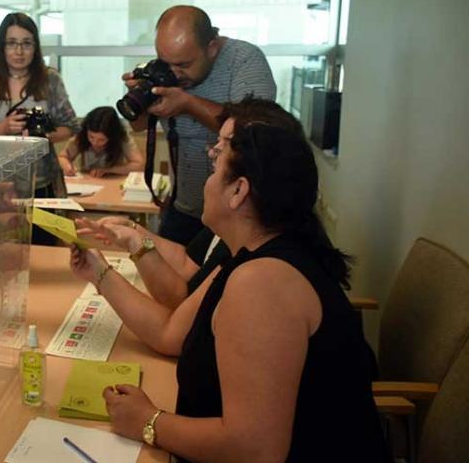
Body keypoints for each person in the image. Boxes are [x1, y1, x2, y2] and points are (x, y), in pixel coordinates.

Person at [70, 106, 385, 461]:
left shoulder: (263, 283)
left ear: (238, 191)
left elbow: (255, 449)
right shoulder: (251, 254)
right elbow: (173, 331)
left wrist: (149, 421)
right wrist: (99, 270)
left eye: (216, 168)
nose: (207, 177)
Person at [78, 96, 304, 309]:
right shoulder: (233, 231)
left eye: (223, 146)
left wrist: (109, 269)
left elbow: (173, 327)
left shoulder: (256, 268)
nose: (211, 153)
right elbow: (187, 262)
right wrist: (133, 230)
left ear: (239, 189)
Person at [124, 5, 275, 245]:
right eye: (166, 62)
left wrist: (187, 103)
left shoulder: (244, 60)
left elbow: (254, 130)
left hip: (238, 215)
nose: (174, 73)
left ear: (212, 48)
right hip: (185, 208)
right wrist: (139, 99)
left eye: (183, 65)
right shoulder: (167, 69)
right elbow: (139, 127)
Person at [0, 12, 79, 244]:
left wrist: (41, 136)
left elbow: (70, 126)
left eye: (26, 44)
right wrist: (4, 127)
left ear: (35, 48)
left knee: (45, 250)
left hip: (43, 184)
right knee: (2, 254)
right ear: (2, 47)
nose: (19, 52)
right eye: (12, 43)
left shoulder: (51, 80)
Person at [58, 106, 144, 177]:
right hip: (87, 181)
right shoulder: (81, 135)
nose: (95, 142)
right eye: (91, 137)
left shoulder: (122, 138)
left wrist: (108, 170)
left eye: (101, 140)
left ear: (112, 137)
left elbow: (139, 165)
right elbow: (63, 157)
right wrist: (67, 166)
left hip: (113, 182)